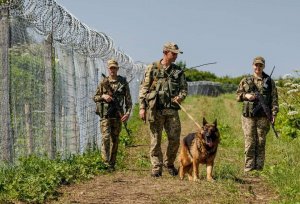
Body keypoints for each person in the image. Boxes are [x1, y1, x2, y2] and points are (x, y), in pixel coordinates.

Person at [139, 42, 188, 177]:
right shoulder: (153, 68)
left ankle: (169, 163)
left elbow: (184, 89)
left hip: (171, 111)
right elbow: (144, 88)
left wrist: (180, 97)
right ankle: (156, 167)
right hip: (155, 110)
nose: (176, 56)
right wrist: (142, 108)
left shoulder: (178, 71)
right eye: (173, 53)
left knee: (174, 139)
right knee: (155, 140)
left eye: (177, 54)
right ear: (165, 52)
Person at [236, 56, 279, 173]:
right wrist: (246, 96)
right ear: (252, 65)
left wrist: (273, 114)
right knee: (250, 141)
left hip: (263, 117)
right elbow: (237, 95)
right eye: (256, 65)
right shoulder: (246, 80)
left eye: (260, 65)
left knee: (261, 141)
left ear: (263, 66)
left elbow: (274, 99)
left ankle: (259, 168)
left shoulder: (269, 82)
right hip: (248, 116)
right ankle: (249, 168)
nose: (258, 67)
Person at [94, 59, 132, 171]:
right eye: (111, 68)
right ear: (108, 69)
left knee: (115, 139)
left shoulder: (122, 82)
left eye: (114, 68)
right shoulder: (103, 82)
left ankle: (112, 163)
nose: (112, 70)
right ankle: (105, 163)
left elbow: (128, 100)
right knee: (105, 138)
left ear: (117, 69)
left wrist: (127, 113)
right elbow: (95, 97)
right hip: (105, 115)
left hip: (118, 115)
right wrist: (103, 96)